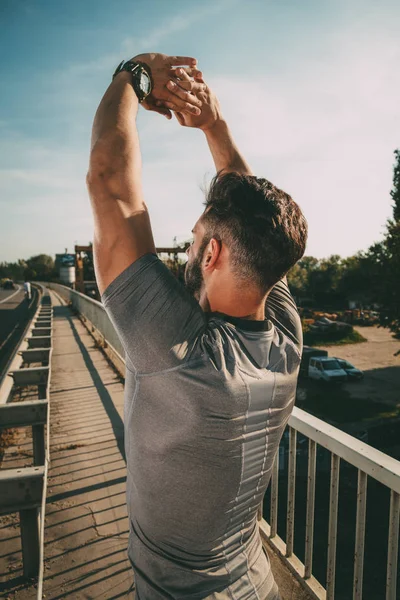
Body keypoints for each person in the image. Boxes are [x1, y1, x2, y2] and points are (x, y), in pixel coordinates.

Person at [87, 53, 307, 600]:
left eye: (194, 236)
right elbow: (256, 217)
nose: (187, 242)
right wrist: (212, 123)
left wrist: (132, 75)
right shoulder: (285, 333)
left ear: (210, 253)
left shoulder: (181, 352)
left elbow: (110, 182)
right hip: (255, 584)